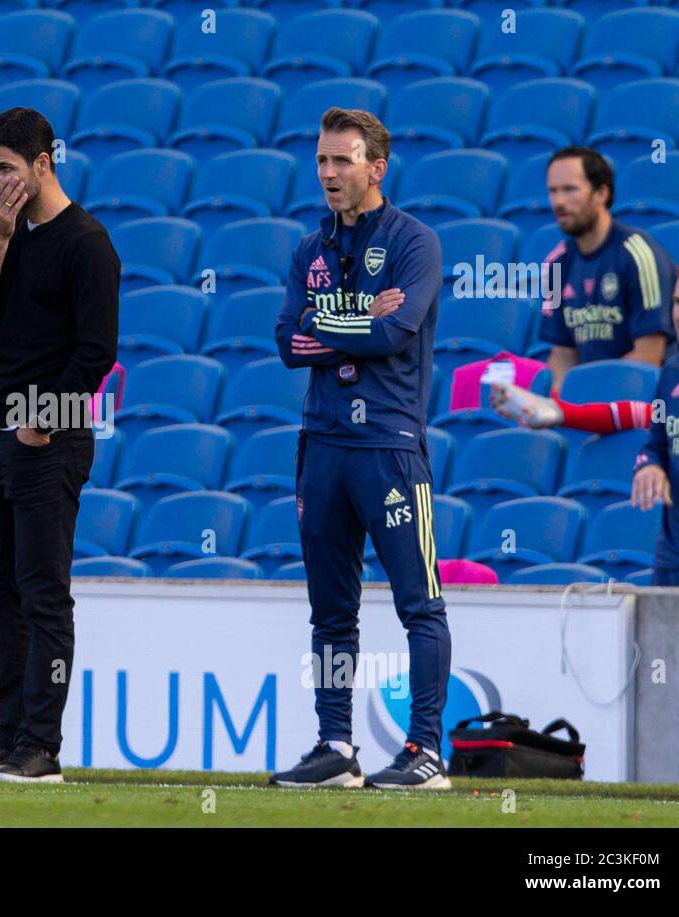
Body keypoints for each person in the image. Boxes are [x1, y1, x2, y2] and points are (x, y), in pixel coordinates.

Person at [272, 107, 451, 790]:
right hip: (322, 447)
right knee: (331, 611)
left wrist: (332, 325)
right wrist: (355, 318)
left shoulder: (416, 242)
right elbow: (288, 341)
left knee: (420, 602)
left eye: (341, 160)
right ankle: (336, 743)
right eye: (321, 160)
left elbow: (396, 332)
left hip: (389, 445)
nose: (328, 173)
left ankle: (425, 749)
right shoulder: (307, 249)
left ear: (376, 167)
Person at [0, 108, 119, 783]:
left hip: (50, 437)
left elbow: (98, 354)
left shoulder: (87, 243)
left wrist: (42, 418)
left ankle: (41, 744)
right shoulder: (7, 233)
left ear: (43, 163)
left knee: (44, 592)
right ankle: (10, 732)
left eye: (6, 169)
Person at [537, 147, 676, 393]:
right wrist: (557, 404)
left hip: (648, 401)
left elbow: (649, 356)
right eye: (553, 191)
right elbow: (563, 355)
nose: (558, 202)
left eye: (569, 189)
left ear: (601, 192)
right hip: (591, 407)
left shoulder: (638, 254)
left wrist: (590, 395)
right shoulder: (556, 264)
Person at [631, 259, 679, 587]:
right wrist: (650, 466)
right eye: (677, 302)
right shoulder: (670, 373)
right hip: (674, 559)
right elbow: (655, 443)